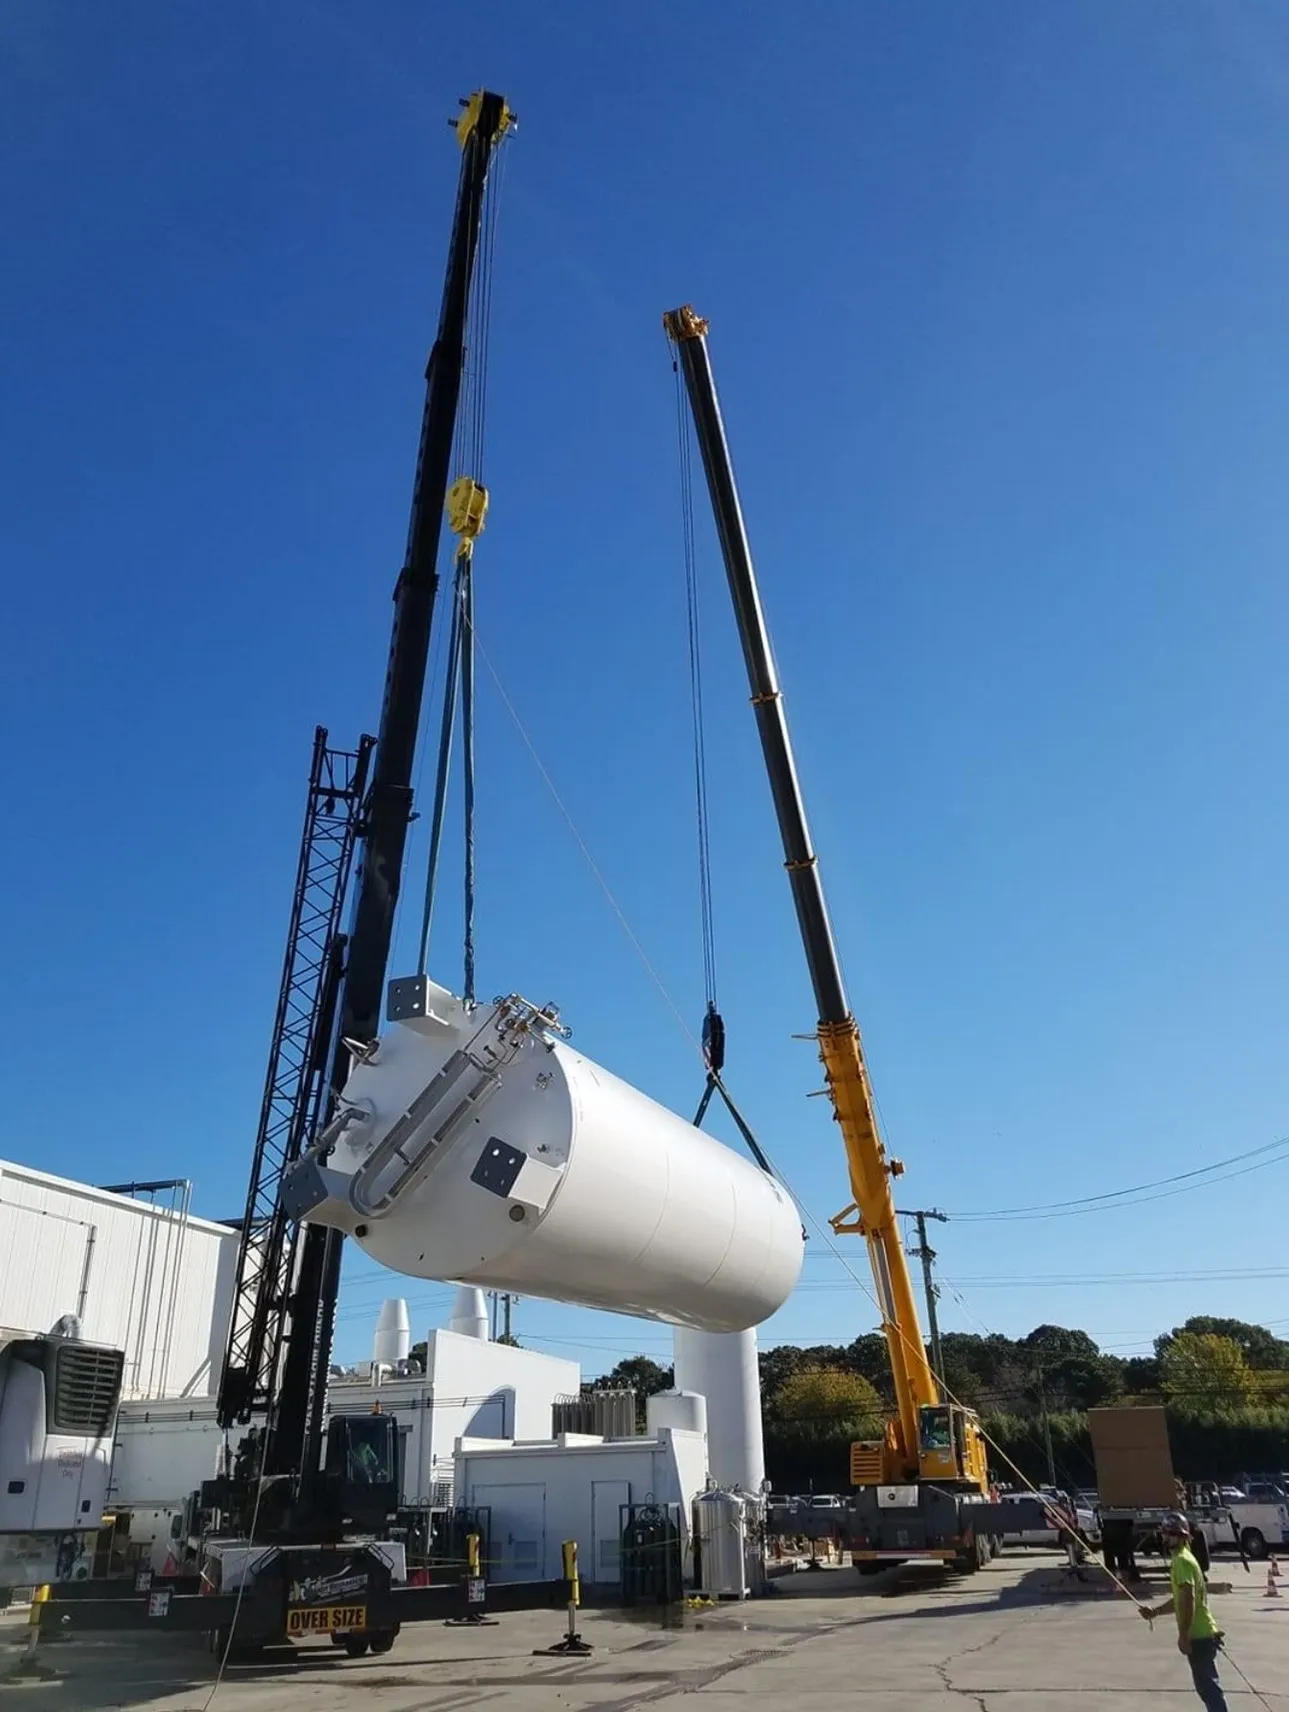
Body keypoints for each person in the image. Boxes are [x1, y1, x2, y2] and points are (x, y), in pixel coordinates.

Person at [1138, 1512, 1227, 1712]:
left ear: (1182, 1536)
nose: (1166, 1537)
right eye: (1165, 1533)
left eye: (1171, 1534)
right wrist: (1155, 1611)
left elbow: (1188, 1599)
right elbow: (1180, 1599)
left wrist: (1184, 1634)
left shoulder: (1181, 1561)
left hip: (1199, 1634)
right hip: (1204, 1633)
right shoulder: (1186, 1558)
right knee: (1207, 1688)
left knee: (1209, 1689)